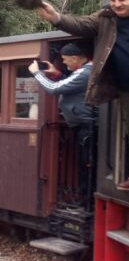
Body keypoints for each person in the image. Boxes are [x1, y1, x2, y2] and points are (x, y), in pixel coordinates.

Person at [36, 0, 129, 191]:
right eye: (113, 0)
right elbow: (81, 24)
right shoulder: (105, 18)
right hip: (128, 88)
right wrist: (56, 18)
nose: (117, 4)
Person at [29, 43, 98, 201]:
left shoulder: (85, 72)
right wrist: (56, 73)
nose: (64, 62)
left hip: (87, 127)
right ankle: (86, 199)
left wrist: (37, 74)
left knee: (87, 165)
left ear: (75, 58)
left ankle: (87, 201)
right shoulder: (83, 71)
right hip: (84, 125)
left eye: (65, 59)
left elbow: (53, 89)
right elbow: (70, 86)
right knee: (85, 164)